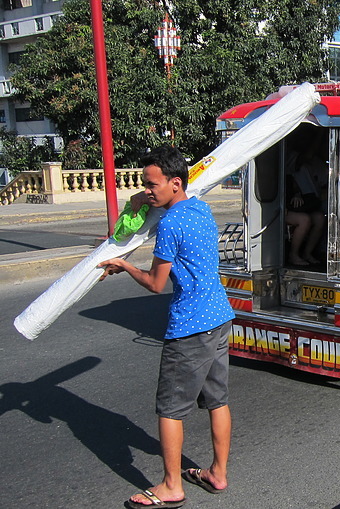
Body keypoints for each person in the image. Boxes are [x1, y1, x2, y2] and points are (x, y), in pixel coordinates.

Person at [99, 146, 234, 509]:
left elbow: (156, 284)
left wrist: (124, 266)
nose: (147, 191)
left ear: (175, 183)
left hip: (190, 326)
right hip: (219, 317)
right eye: (145, 184)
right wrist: (142, 202)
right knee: (217, 401)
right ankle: (217, 474)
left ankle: (172, 485)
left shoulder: (172, 223)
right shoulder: (200, 208)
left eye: (152, 184)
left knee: (170, 409)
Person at [286, 149, 326, 265]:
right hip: (279, 209)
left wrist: (297, 194)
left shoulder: (292, 173)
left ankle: (307, 253)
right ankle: (293, 255)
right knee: (304, 219)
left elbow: (294, 186)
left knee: (319, 218)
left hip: (293, 206)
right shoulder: (276, 170)